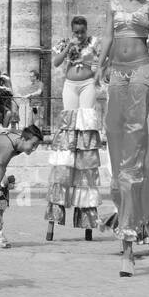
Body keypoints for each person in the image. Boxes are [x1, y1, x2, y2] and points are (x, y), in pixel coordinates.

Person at [99, 0, 149, 278]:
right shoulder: (113, 6)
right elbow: (109, 39)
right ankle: (123, 207)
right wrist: (100, 64)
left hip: (142, 71)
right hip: (117, 73)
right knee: (114, 137)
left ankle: (129, 242)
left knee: (134, 148)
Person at [47, 15, 103, 241]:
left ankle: (85, 156)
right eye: (76, 31)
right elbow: (56, 62)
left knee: (86, 121)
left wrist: (96, 67)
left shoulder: (94, 42)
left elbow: (103, 60)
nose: (79, 35)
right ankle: (67, 150)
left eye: (82, 31)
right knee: (69, 123)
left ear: (86, 29)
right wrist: (69, 46)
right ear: (72, 30)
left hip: (87, 83)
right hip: (70, 83)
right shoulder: (65, 42)